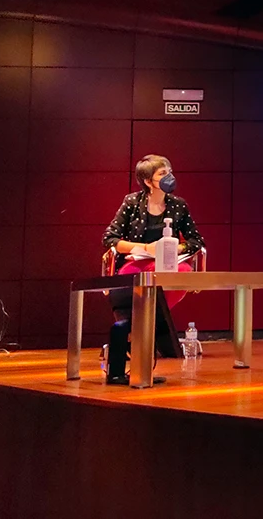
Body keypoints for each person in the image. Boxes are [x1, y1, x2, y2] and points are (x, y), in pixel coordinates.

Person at [100, 154, 207, 383]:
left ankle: (144, 326)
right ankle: (145, 329)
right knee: (143, 281)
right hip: (136, 262)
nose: (169, 176)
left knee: (182, 273)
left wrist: (176, 248)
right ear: (148, 181)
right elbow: (110, 238)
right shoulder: (131, 203)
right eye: (162, 173)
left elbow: (196, 241)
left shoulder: (178, 205)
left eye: (169, 171)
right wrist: (146, 247)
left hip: (168, 265)